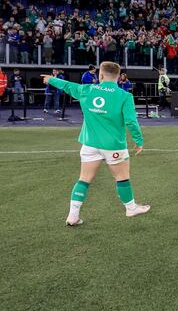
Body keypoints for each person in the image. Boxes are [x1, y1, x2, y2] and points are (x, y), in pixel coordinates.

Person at [42, 61, 150, 226]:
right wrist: (139, 140)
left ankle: (73, 216)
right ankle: (130, 208)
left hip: (90, 144)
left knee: (84, 179)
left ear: (100, 75)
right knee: (122, 178)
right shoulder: (124, 96)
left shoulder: (87, 90)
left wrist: (50, 79)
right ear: (118, 77)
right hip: (113, 145)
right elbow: (131, 121)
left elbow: (67, 85)